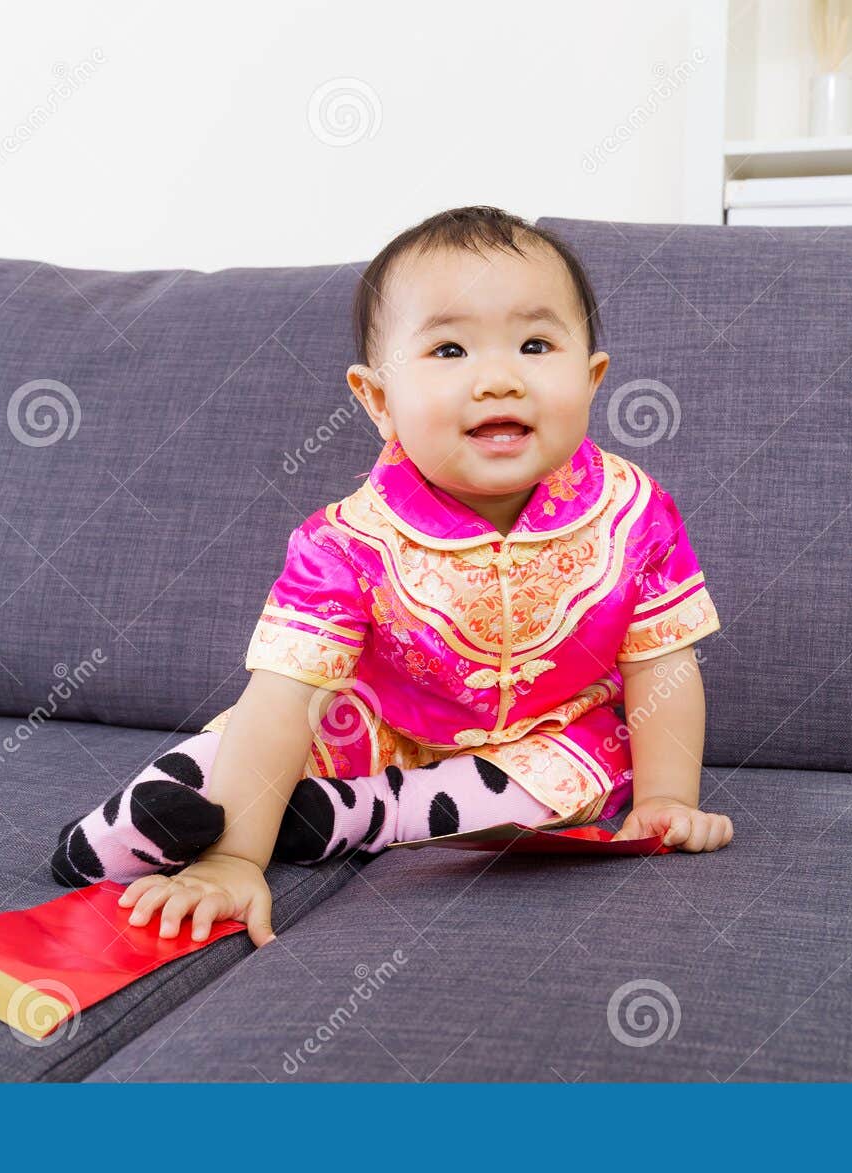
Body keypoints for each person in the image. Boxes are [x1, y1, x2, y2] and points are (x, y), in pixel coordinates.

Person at [49, 205, 731, 947]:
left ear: (592, 378)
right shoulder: (345, 543)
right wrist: (233, 858)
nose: (499, 378)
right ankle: (130, 829)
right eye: (448, 350)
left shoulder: (635, 511)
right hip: (376, 726)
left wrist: (667, 798)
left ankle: (349, 816)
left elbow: (662, 663)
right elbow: (283, 698)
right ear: (378, 399)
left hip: (551, 734)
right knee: (250, 744)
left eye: (535, 344)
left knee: (560, 787)